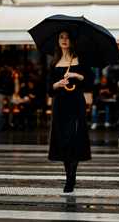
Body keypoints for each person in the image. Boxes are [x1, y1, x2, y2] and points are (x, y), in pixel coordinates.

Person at [48, 30, 92, 193]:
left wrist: (76, 75)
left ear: (72, 40)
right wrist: (57, 84)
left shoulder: (80, 59)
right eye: (61, 37)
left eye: (67, 37)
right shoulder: (54, 63)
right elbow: (48, 89)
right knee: (64, 140)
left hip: (76, 103)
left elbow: (90, 82)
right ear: (58, 41)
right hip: (60, 105)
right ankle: (69, 174)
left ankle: (71, 178)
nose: (64, 40)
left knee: (74, 138)